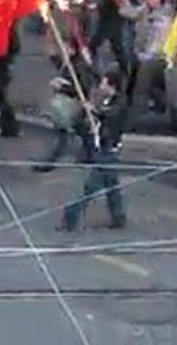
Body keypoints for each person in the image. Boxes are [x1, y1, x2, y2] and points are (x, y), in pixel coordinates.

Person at [61, 69, 127, 231]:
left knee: (91, 186)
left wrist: (94, 111)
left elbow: (111, 116)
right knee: (112, 185)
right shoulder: (107, 100)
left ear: (111, 84)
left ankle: (71, 215)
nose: (101, 85)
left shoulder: (120, 102)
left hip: (109, 149)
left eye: (104, 82)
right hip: (103, 146)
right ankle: (119, 217)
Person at [119, 0, 173, 122]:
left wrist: (144, 56)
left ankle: (137, 116)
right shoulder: (146, 9)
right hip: (141, 54)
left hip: (154, 59)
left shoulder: (163, 20)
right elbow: (130, 13)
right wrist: (123, 0)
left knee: (141, 87)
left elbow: (158, 43)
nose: (146, 0)